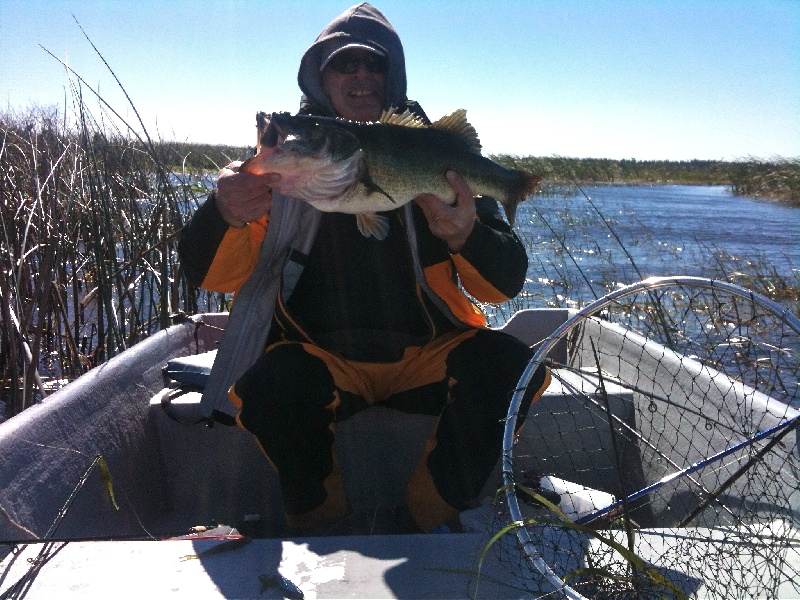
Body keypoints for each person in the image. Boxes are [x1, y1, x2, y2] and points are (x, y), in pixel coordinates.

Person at [178, 2, 548, 534]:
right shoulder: (279, 167)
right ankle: (320, 524)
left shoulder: (432, 153)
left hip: (430, 353)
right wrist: (224, 213)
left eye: (374, 65)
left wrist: (466, 234)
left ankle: (425, 520)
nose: (361, 76)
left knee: (512, 368)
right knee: (272, 385)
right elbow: (213, 276)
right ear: (320, 77)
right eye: (344, 64)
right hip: (321, 356)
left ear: (392, 77)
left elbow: (503, 285)